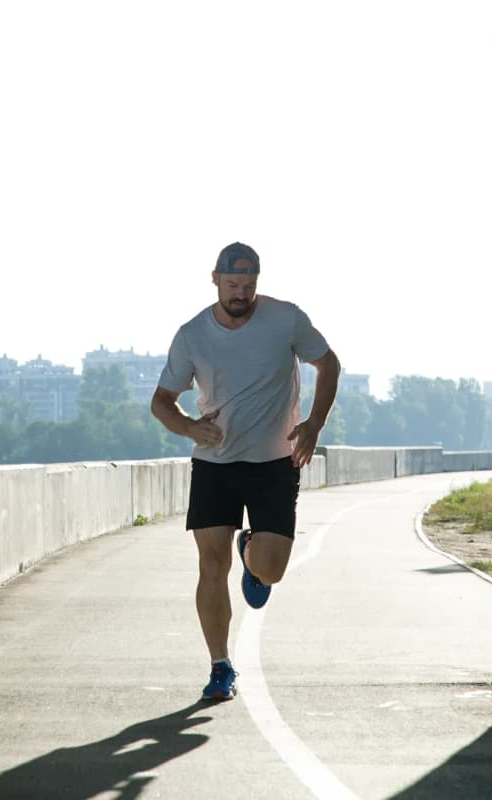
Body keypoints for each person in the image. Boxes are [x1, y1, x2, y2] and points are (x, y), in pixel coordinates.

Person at [150, 241, 340, 701]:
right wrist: (189, 427)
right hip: (215, 464)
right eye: (232, 285)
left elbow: (328, 363)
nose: (241, 294)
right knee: (210, 566)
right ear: (214, 279)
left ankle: (251, 550)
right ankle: (220, 666)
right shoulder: (192, 335)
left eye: (249, 286)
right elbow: (161, 401)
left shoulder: (285, 319)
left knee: (271, 572)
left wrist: (314, 423)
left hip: (276, 461)